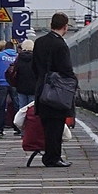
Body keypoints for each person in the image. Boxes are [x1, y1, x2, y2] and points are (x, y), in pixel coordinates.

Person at [33, 12, 77, 168]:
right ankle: (53, 158)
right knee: (56, 127)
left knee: (47, 126)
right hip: (57, 91)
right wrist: (73, 81)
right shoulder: (60, 45)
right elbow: (66, 69)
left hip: (42, 89)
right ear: (65, 27)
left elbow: (35, 67)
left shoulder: (39, 42)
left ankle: (51, 156)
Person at [0, 41, 18, 137]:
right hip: (14, 84)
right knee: (16, 105)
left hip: (2, 83)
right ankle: (17, 127)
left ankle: (0, 129)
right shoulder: (17, 56)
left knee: (1, 106)